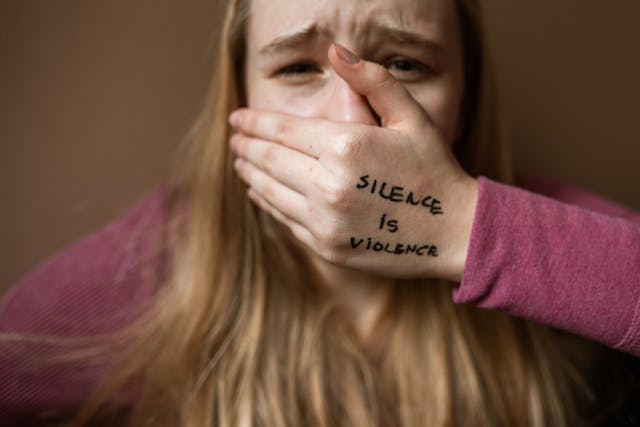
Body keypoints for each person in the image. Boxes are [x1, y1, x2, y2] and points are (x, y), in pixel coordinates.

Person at [1, 0, 639, 425]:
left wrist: (465, 228)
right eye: (299, 67)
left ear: (467, 95)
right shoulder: (161, 264)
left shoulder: (551, 229)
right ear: (240, 94)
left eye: (404, 64)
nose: (350, 125)